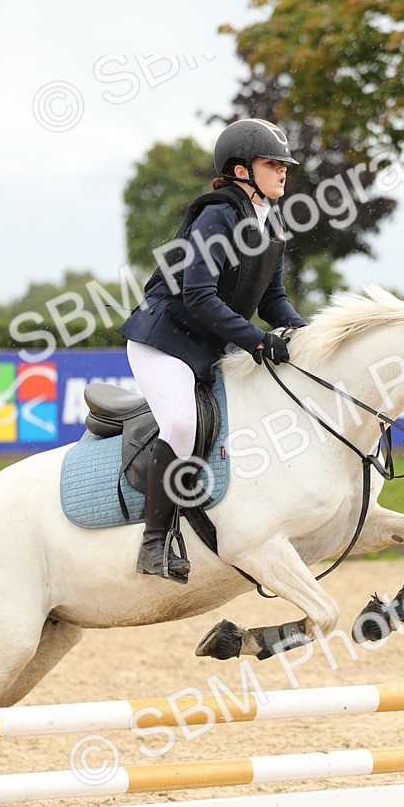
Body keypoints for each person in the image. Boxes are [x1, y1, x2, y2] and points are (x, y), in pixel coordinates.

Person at [118, 118, 307, 583]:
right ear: (241, 170)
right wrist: (259, 340)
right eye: (272, 164)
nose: (283, 172)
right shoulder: (217, 215)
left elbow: (272, 301)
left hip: (206, 349)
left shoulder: (272, 227)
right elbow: (199, 296)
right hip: (162, 344)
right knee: (181, 423)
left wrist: (306, 336)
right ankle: (154, 541)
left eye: (284, 165)